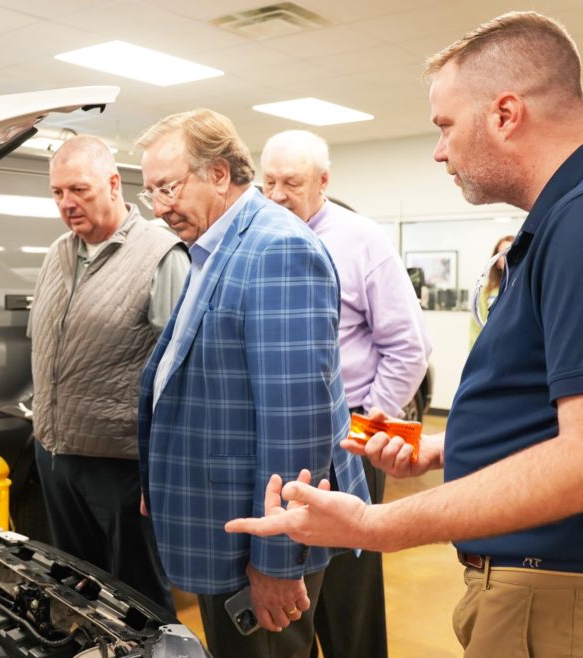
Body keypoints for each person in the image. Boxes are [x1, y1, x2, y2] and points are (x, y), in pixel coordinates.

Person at [226, 11, 583, 657]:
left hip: (550, 588)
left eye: (446, 126)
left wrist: (377, 523)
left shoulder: (577, 225)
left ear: (505, 114)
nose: (440, 149)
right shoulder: (556, 221)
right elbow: (547, 410)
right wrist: (447, 446)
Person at [135, 109, 370, 658]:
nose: (161, 207)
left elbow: (297, 422)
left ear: (219, 174)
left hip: (263, 537)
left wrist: (277, 562)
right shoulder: (215, 249)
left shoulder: (276, 250)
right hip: (227, 516)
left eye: (169, 187)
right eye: (152, 193)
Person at [261, 129, 431, 658]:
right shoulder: (260, 237)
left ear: (324, 181)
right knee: (289, 581)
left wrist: (364, 427)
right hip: (281, 437)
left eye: (291, 182)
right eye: (268, 182)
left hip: (354, 434)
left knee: (350, 591)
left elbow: (409, 348)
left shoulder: (362, 240)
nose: (278, 194)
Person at [28, 135, 187, 615]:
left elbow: (180, 377)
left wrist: (162, 470)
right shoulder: (59, 252)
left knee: (137, 598)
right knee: (78, 590)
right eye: (57, 193)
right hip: (57, 455)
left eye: (78, 189)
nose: (66, 203)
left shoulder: (162, 255)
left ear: (114, 184)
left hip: (123, 466)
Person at [468, 234, 514, 347]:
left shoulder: (531, 292)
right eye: (503, 254)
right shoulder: (485, 295)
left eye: (512, 252)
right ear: (497, 262)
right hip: (493, 351)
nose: (508, 257)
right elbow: (476, 330)